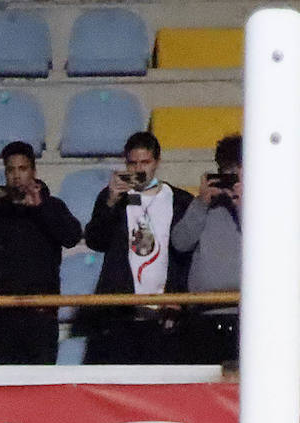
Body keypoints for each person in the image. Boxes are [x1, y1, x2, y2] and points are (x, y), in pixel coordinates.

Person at [0, 141, 82, 364]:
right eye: (11, 170)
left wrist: (41, 208)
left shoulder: (52, 205)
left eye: (22, 169)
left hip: (40, 316)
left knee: (38, 390)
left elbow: (72, 237)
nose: (16, 176)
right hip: (0, 315)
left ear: (33, 171)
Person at [76, 131, 194, 364]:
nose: (139, 170)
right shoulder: (114, 198)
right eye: (133, 163)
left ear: (157, 162)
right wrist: (110, 201)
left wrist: (180, 296)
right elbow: (95, 240)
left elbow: (187, 253)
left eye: (145, 162)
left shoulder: (179, 200)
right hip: (121, 313)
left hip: (165, 314)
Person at [170, 134, 243, 364]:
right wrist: (200, 203)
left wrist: (243, 203)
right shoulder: (203, 206)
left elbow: (268, 241)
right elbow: (180, 242)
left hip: (248, 316)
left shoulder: (265, 205)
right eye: (224, 172)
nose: (228, 179)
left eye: (235, 172)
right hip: (204, 315)